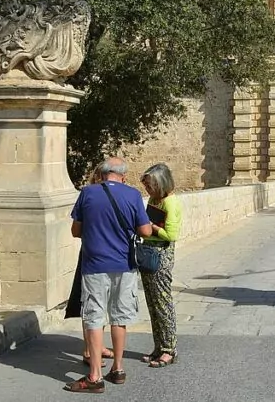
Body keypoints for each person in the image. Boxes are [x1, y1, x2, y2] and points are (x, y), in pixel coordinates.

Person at [65, 157, 152, 394]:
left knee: (94, 317)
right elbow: (144, 230)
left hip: (94, 265)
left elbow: (75, 231)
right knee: (119, 316)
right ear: (122, 176)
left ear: (102, 174)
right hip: (124, 265)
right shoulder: (133, 195)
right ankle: (118, 368)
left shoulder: (87, 193)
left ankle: (95, 376)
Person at [65, 166, 113, 367]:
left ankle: (95, 346)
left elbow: (76, 230)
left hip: (92, 255)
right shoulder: (92, 197)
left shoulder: (89, 197)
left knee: (95, 304)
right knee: (92, 304)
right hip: (97, 257)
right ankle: (89, 350)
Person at [138, 163, 182, 368]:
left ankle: (169, 349)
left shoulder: (170, 203)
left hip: (161, 256)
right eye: (146, 186)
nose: (148, 190)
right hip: (149, 254)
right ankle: (159, 346)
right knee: (153, 304)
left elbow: (171, 235)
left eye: (151, 185)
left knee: (163, 304)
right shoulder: (155, 200)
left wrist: (151, 227)